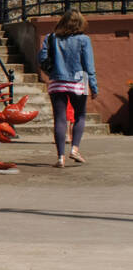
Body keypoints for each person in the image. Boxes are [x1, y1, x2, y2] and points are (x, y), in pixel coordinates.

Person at [38, 9, 98, 167]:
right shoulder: (84, 39)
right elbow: (89, 65)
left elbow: (42, 58)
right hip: (79, 82)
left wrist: (52, 71)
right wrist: (93, 86)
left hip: (57, 82)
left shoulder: (51, 38)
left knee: (60, 119)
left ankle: (60, 157)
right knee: (80, 116)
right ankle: (75, 149)